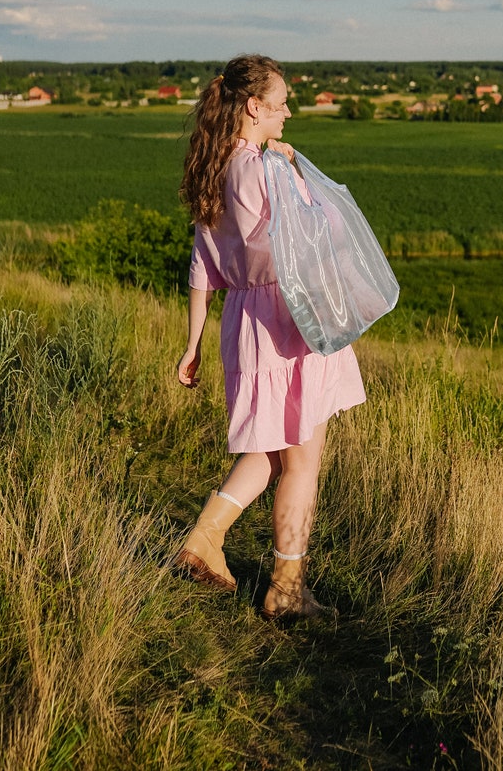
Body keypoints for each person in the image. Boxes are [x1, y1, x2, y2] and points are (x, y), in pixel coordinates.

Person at [174, 54, 365, 619]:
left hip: (243, 322)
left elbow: (201, 267)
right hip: (288, 317)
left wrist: (192, 343)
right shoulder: (263, 167)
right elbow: (317, 237)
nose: (288, 115)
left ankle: (204, 537)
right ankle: (286, 590)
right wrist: (298, 178)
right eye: (281, 105)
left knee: (268, 450)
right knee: (302, 460)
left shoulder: (215, 167)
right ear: (254, 107)